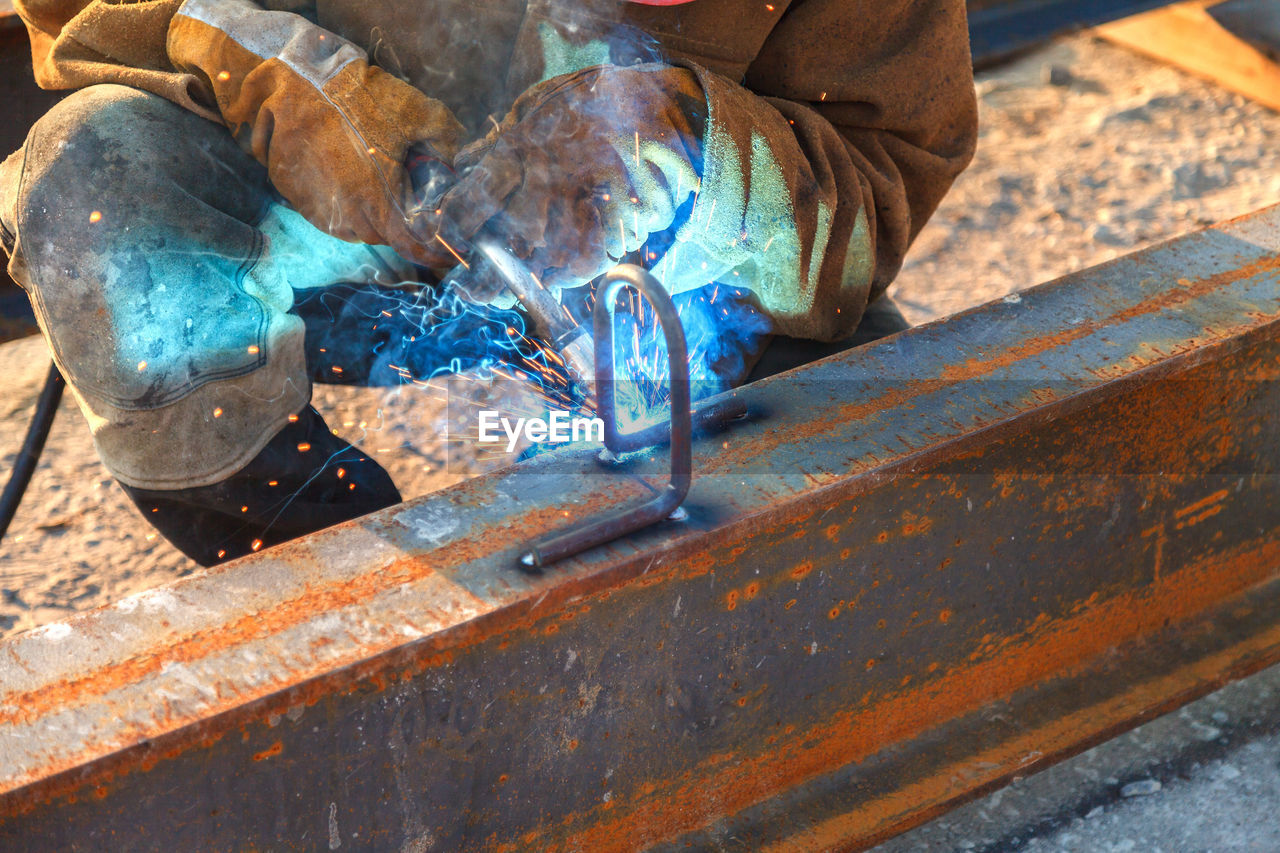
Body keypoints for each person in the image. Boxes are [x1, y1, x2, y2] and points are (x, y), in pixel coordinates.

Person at [0, 0, 977, 565]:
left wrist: (689, 151)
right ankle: (326, 577)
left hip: (632, 280)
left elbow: (871, 187)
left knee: (862, 510)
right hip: (311, 247)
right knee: (99, 190)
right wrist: (241, 52)